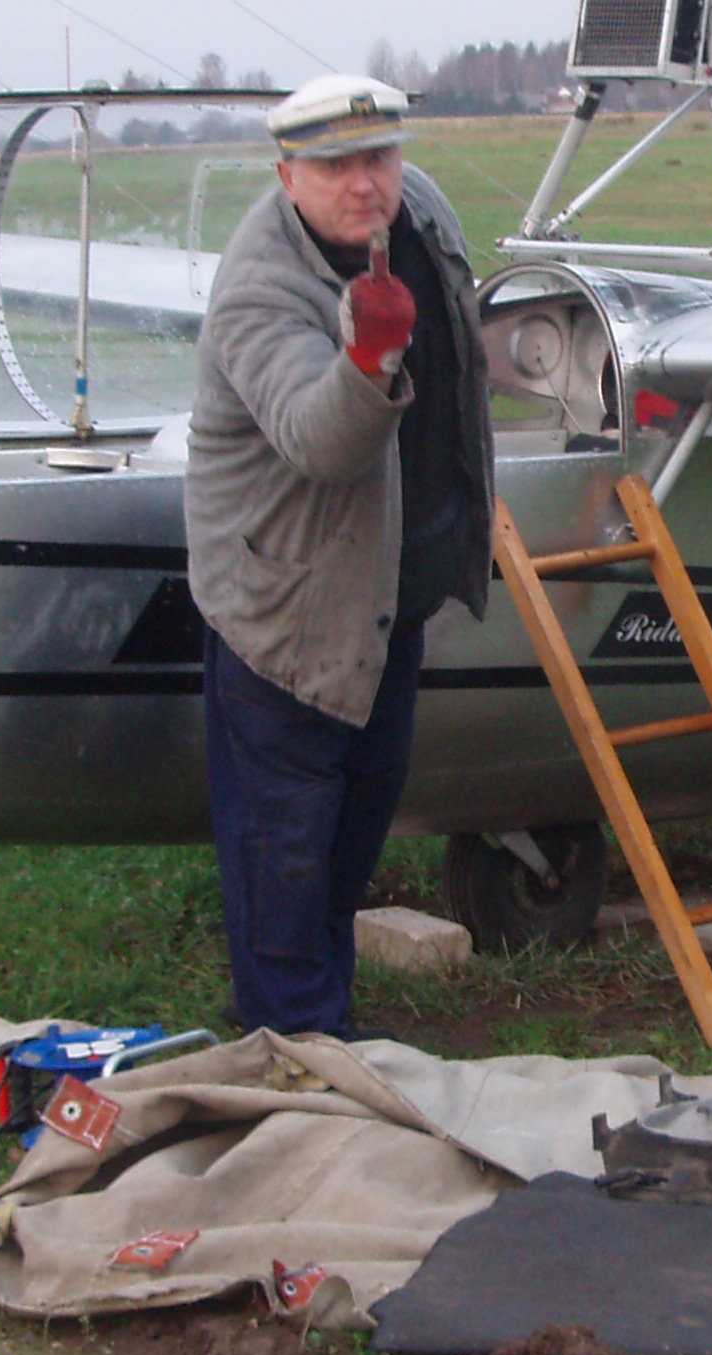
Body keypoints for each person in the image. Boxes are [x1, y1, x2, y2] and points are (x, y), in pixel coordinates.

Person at [182, 74, 492, 1039]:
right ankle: (297, 1052)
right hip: (288, 610)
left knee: (355, 824)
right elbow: (318, 441)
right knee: (285, 843)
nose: (365, 184)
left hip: (384, 592)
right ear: (287, 174)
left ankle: (317, 1018)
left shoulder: (418, 212)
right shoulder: (258, 289)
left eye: (379, 157)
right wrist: (367, 362)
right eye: (334, 165)